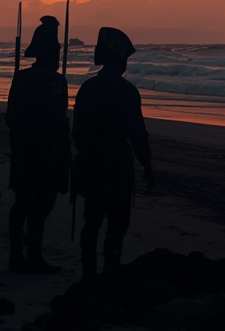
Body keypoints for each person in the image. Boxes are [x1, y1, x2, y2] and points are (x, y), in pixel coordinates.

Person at [71, 27, 153, 281]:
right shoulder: (127, 91)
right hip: (117, 165)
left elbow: (77, 131)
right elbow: (137, 134)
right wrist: (147, 165)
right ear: (119, 59)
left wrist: (87, 154)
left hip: (91, 163)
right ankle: (110, 272)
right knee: (117, 224)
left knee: (91, 221)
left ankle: (88, 274)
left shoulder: (87, 88)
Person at [5, 16, 71, 273]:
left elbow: (10, 117)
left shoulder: (20, 79)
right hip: (45, 151)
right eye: (55, 53)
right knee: (41, 204)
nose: (57, 58)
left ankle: (16, 255)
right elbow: (58, 120)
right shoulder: (56, 82)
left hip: (22, 149)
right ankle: (33, 256)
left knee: (22, 201)